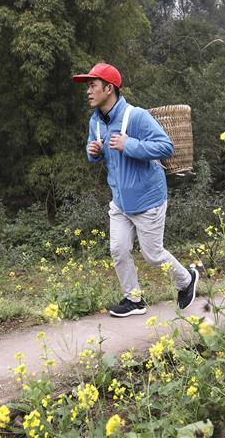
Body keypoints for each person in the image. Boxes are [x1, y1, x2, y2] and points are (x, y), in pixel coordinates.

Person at [72, 63, 198, 318]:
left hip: (148, 198)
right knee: (118, 250)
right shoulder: (95, 122)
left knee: (152, 255)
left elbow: (166, 147)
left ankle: (186, 280)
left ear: (109, 88)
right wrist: (93, 153)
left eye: (93, 85)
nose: (88, 91)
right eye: (87, 86)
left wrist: (130, 144)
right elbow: (95, 153)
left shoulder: (136, 116)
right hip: (120, 200)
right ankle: (134, 299)